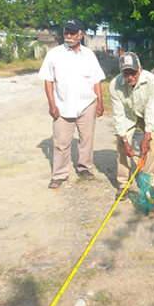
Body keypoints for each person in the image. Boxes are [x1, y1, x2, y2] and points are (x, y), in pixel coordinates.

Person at [38, 19, 106, 189]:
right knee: (61, 142)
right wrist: (52, 104)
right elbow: (48, 80)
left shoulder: (89, 55)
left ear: (81, 34)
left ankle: (85, 168)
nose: (68, 36)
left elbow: (96, 80)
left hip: (86, 105)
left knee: (87, 140)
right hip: (62, 106)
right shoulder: (54, 54)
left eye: (72, 33)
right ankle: (60, 174)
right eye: (66, 32)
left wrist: (100, 102)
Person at [110, 52, 154, 195]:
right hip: (128, 115)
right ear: (121, 72)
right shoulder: (115, 85)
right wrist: (125, 141)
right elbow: (118, 115)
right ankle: (124, 183)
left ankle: (148, 182)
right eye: (126, 73)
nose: (130, 77)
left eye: (133, 72)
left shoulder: (151, 80)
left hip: (146, 115)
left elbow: (151, 109)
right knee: (121, 145)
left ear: (140, 69)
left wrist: (147, 136)